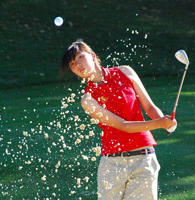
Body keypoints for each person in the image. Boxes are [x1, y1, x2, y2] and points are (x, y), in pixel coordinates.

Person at [61, 39, 177, 200]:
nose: (77, 64)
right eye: (72, 64)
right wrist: (159, 124)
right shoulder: (87, 100)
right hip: (112, 164)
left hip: (144, 159)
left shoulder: (125, 71)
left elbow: (150, 107)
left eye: (80, 57)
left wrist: (167, 122)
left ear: (92, 56)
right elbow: (123, 125)